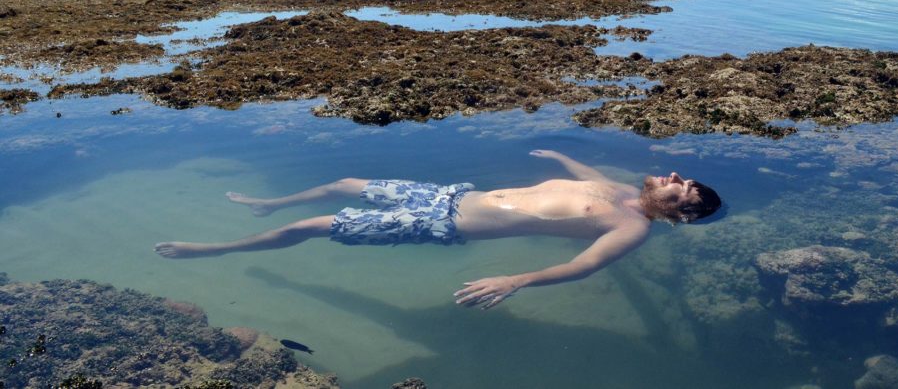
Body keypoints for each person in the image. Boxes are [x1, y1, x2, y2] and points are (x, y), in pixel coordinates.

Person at [154, 149, 722, 309]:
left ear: (677, 214)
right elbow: (585, 177)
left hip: (443, 222)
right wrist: (562, 157)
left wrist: (517, 280)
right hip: (453, 194)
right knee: (346, 181)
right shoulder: (625, 189)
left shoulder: (632, 227)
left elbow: (583, 267)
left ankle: (216, 250)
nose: (675, 175)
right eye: (681, 175)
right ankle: (265, 203)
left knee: (313, 225)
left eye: (682, 187)